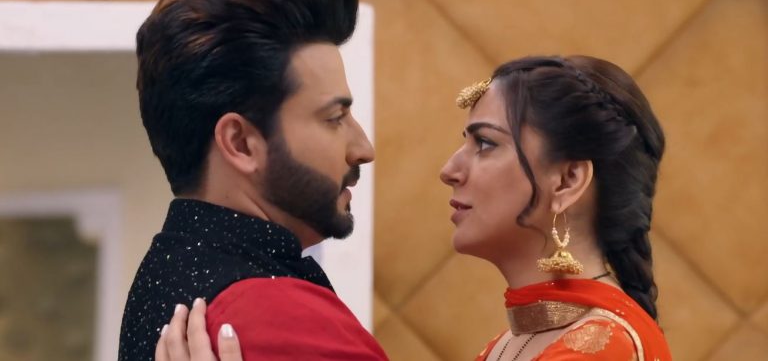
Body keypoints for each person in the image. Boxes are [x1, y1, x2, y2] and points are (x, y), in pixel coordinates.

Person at [158, 55, 673, 360]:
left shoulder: (604, 346)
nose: (450, 169)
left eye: (485, 144)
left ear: (568, 180)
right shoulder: (514, 343)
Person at [119, 0, 386, 361]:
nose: (363, 148)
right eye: (335, 118)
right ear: (241, 143)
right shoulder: (272, 315)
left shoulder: (160, 278)